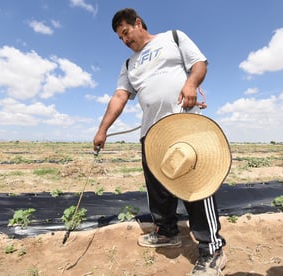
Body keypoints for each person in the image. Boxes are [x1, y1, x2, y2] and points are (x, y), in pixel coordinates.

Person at [93, 8, 226, 275]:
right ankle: (166, 232)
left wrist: (190, 85)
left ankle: (212, 250)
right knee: (159, 190)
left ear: (138, 23)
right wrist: (102, 130)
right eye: (120, 38)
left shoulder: (173, 38)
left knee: (195, 188)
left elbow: (200, 64)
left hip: (182, 125)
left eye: (126, 33)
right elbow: (119, 97)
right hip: (152, 135)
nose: (125, 40)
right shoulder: (129, 64)